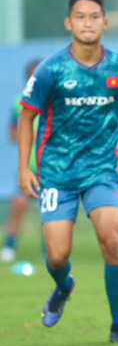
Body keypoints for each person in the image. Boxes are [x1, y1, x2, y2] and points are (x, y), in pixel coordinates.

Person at [18, 0, 118, 343]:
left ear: (105, 23)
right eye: (80, 17)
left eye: (93, 17)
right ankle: (63, 285)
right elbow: (27, 117)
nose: (87, 23)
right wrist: (24, 168)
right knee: (58, 256)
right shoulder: (51, 69)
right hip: (56, 173)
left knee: (112, 239)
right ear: (68, 23)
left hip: (101, 169)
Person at [0, 60, 42, 263]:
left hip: (51, 167)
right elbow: (11, 134)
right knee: (18, 206)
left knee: (51, 211)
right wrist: (25, 134)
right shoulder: (19, 102)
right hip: (28, 167)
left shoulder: (55, 102)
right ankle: (9, 246)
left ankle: (49, 251)